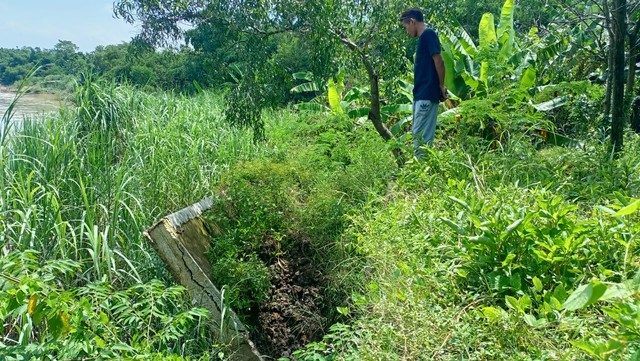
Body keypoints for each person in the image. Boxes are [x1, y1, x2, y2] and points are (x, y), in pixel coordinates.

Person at [400, 8, 446, 158]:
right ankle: (422, 174)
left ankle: (421, 177)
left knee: (420, 140)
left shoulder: (428, 35)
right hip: (421, 95)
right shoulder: (424, 38)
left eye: (406, 27)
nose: (406, 31)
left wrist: (441, 86)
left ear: (412, 21)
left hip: (426, 95)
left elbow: (439, 60)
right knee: (419, 138)